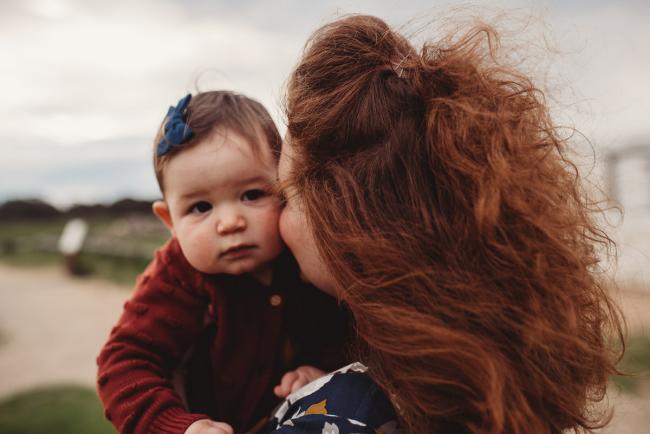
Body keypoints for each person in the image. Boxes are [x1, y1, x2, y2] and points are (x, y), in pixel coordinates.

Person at [263, 15, 625, 434]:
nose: (275, 217)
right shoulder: (497, 377)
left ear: (346, 219)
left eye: (286, 195)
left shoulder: (337, 414)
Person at [96, 91, 351, 434]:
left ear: (285, 190)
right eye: (201, 207)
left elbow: (347, 325)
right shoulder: (178, 274)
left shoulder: (303, 256)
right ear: (170, 221)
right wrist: (180, 427)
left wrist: (321, 370)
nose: (230, 222)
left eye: (252, 195)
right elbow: (125, 363)